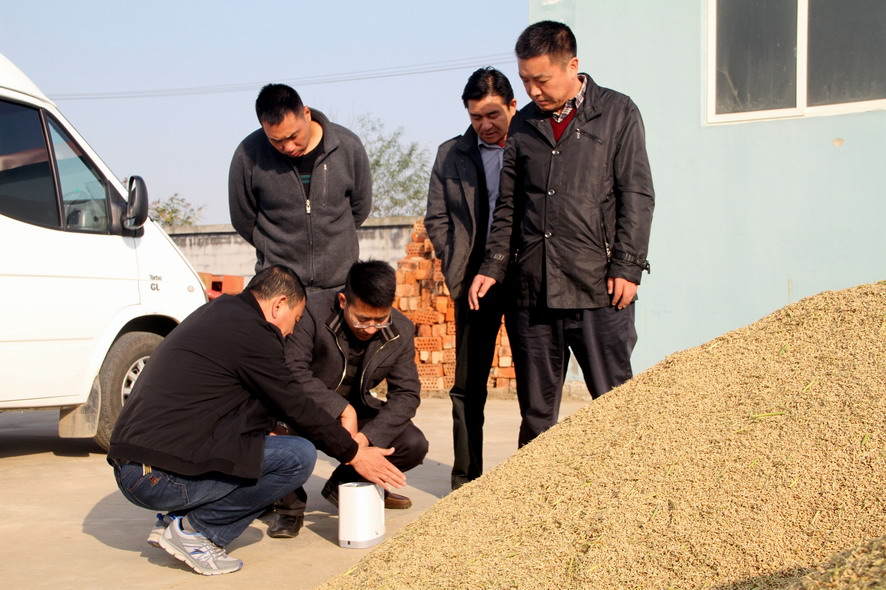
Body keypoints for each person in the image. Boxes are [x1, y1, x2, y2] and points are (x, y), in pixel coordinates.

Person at [107, 265, 404, 575]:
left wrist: (268, 428)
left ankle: (174, 522)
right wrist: (353, 453)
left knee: (265, 446)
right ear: (279, 305)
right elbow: (295, 402)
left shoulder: (221, 313)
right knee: (297, 457)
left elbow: (234, 399)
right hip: (156, 478)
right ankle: (197, 531)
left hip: (138, 466)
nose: (292, 330)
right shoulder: (254, 333)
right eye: (295, 319)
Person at [468, 21, 655, 447]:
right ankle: (534, 490)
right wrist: (493, 265)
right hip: (532, 292)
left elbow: (637, 194)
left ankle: (625, 482)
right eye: (525, 80)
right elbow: (509, 205)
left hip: (599, 288)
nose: (533, 91)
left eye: (542, 79)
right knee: (536, 415)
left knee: (615, 404)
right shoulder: (522, 125)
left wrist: (627, 267)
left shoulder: (617, 112)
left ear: (572, 66)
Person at [267, 260, 428, 538]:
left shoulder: (400, 329)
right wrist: (341, 408)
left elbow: (406, 394)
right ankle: (289, 509)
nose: (371, 328)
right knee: (279, 434)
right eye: (362, 319)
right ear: (343, 301)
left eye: (380, 320)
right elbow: (292, 370)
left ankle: (346, 484)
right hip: (307, 407)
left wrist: (366, 438)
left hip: (358, 411)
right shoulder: (312, 312)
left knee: (412, 443)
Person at [424, 67, 517, 490]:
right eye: (476, 116)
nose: (485, 125)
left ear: (512, 106)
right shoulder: (451, 154)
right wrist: (456, 266)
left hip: (524, 277)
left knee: (537, 385)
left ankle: (533, 475)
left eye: (493, 114)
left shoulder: (532, 145)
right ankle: (466, 479)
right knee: (467, 385)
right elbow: (437, 218)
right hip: (473, 282)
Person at [229, 83, 372, 291]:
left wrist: (333, 245)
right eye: (276, 141)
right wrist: (273, 248)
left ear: (306, 114)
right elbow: (243, 219)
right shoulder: (249, 155)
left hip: (339, 285)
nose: (288, 147)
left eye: (293, 136)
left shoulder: (347, 146)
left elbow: (360, 207)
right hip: (278, 288)